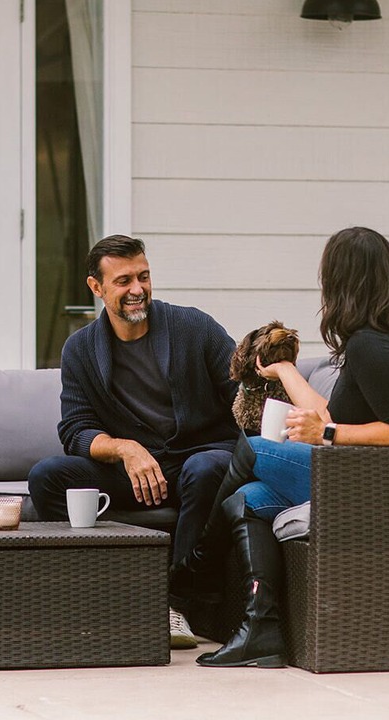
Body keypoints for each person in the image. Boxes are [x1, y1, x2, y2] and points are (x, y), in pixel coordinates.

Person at [195, 226, 389, 669]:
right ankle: (260, 632)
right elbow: (331, 413)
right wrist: (285, 372)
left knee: (252, 450)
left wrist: (326, 436)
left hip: (374, 484)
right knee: (246, 501)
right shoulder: (384, 341)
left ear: (342, 281)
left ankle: (196, 569)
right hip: (363, 473)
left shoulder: (371, 347)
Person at [27, 234, 239, 650]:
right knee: (48, 476)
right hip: (133, 469)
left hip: (198, 460)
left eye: (143, 276)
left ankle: (175, 603)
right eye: (123, 281)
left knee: (207, 467)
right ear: (96, 287)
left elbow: (242, 398)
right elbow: (75, 429)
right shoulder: (81, 349)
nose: (137, 289)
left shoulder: (193, 326)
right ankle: (99, 591)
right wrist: (125, 449)